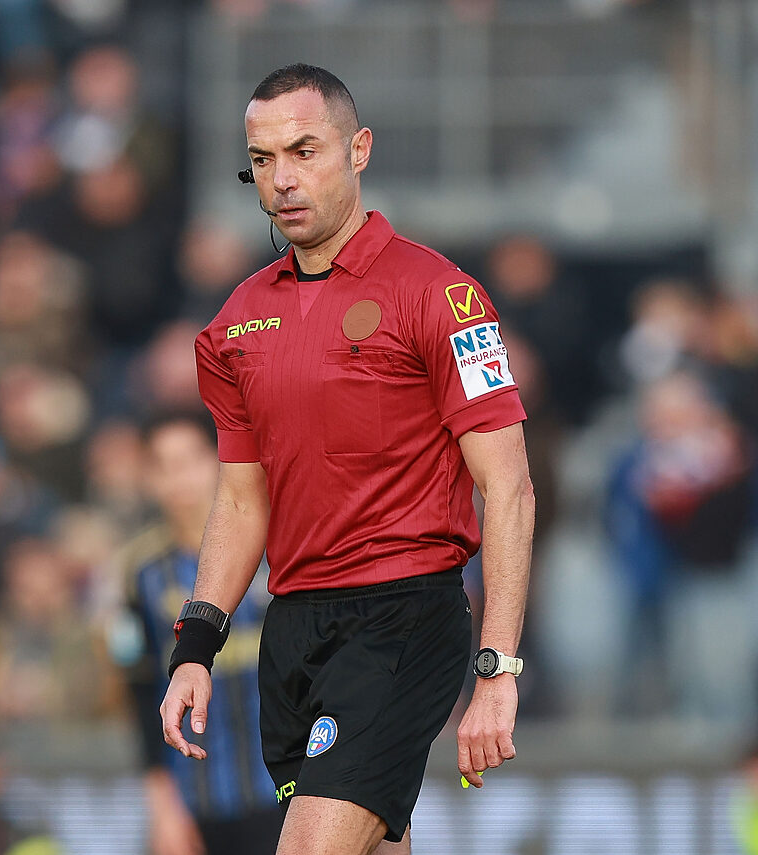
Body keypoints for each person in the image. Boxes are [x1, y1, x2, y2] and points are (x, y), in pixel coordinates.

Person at [160, 64, 534, 855]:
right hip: (292, 631)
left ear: (358, 149)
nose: (283, 180)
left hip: (401, 619)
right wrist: (197, 642)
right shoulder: (237, 322)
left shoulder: (443, 295)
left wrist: (498, 669)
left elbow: (508, 487)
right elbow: (239, 500)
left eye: (304, 151)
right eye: (263, 161)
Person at [112, 411, 281, 855]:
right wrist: (162, 804)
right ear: (147, 478)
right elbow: (139, 686)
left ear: (220, 459)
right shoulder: (139, 572)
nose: (179, 478)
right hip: (196, 801)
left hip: (288, 787)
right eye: (163, 466)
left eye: (190, 459)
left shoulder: (279, 547)